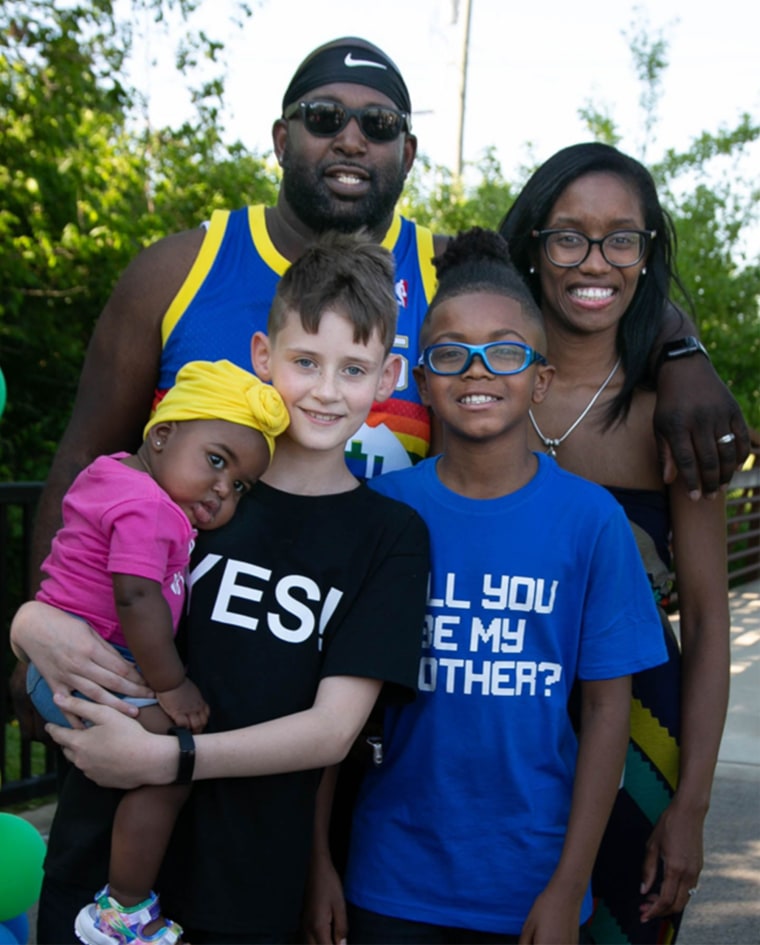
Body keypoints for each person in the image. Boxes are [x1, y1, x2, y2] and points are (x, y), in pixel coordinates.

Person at [11, 231, 430, 944]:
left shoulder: (389, 536)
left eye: (353, 369)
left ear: (388, 374)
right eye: (305, 361)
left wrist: (168, 757)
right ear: (263, 355)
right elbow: (82, 578)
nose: (327, 390)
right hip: (102, 858)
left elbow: (332, 731)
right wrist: (27, 621)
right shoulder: (198, 486)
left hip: (247, 877)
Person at [302, 228, 668, 944]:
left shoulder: (591, 520)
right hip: (391, 873)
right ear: (421, 378)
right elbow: (326, 699)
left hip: (531, 878)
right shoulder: (379, 513)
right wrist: (318, 859)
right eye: (450, 353)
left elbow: (605, 714)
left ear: (540, 376)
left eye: (503, 350)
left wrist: (569, 883)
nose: (477, 370)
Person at [498, 142, 731, 944]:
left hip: (639, 741)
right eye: (569, 236)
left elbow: (704, 620)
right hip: (485, 729)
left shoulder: (677, 417)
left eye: (621, 238)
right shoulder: (477, 385)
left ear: (647, 253)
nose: (594, 261)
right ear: (533, 244)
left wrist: (692, 803)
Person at [17, 359, 289, 945]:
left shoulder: (116, 476)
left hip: (72, 663)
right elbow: (136, 596)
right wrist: (172, 685)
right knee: (171, 762)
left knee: (152, 771)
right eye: (216, 461)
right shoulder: (149, 506)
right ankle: (122, 913)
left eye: (240, 485)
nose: (223, 489)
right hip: (90, 670)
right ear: (162, 435)